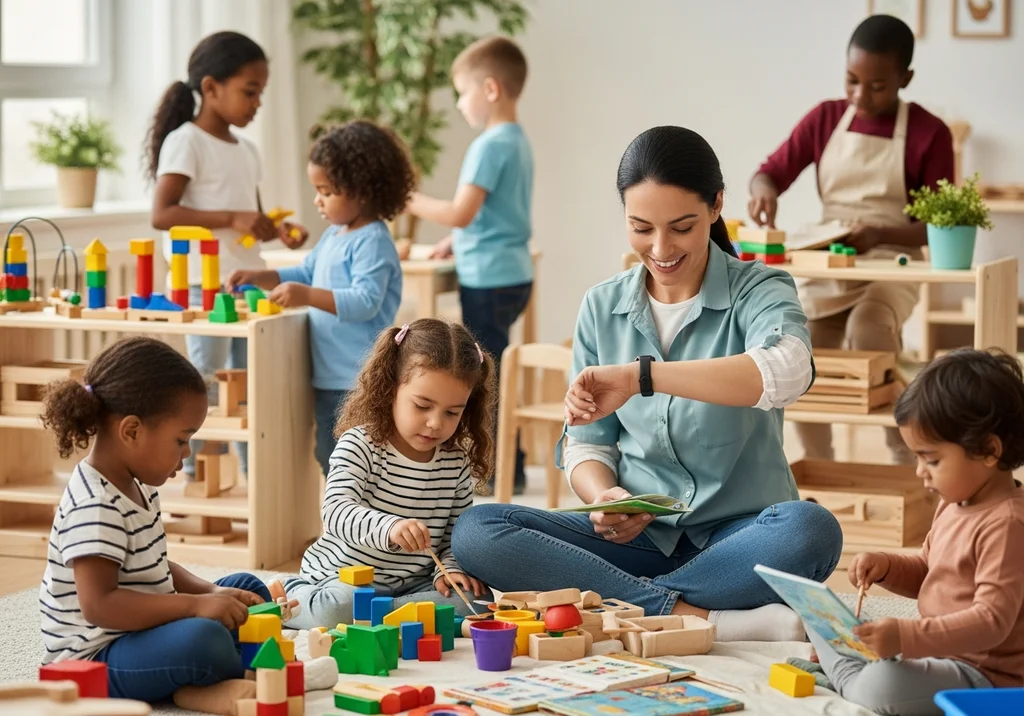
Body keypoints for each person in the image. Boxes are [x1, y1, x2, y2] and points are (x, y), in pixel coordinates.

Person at [452, 126, 842, 643]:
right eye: (641, 228)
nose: (660, 248)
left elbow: (788, 371)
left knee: (811, 530)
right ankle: (697, 614)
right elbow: (587, 444)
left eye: (681, 227)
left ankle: (626, 602)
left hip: (740, 539)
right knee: (477, 530)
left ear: (716, 205)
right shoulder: (602, 305)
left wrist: (642, 377)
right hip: (637, 542)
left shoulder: (761, 289)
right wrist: (606, 498)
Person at [748, 15, 954, 464]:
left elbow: (941, 225)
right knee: (800, 347)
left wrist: (878, 234)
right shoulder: (825, 118)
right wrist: (764, 190)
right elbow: (770, 172)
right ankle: (819, 468)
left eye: (877, 86)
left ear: (905, 79)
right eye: (852, 81)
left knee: (869, 326)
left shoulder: (929, 132)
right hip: (834, 260)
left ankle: (907, 461)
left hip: (894, 260)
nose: (860, 96)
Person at [38, 337, 270, 703]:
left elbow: (155, 567)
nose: (187, 453)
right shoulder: (95, 504)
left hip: (142, 632)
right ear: (131, 431)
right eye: (181, 440)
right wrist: (194, 606)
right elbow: (100, 605)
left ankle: (220, 673)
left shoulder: (136, 485)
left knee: (247, 589)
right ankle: (205, 686)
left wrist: (209, 593)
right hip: (97, 658)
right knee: (203, 640)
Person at [811, 349, 1024, 714]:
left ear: (989, 450)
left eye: (932, 459)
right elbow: (929, 571)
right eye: (917, 458)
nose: (920, 471)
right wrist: (886, 566)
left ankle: (851, 678)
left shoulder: (1007, 524)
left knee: (883, 684)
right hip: (937, 653)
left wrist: (906, 637)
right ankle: (857, 669)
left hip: (982, 675)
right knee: (822, 618)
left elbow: (992, 622)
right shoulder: (954, 502)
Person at [146, 31, 308, 481]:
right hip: (202, 282)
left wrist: (277, 230)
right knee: (207, 379)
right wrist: (233, 217)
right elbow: (162, 213)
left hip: (244, 281)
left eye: (261, 93)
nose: (257, 103)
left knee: (247, 379)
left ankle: (251, 475)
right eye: (249, 91)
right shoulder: (187, 141)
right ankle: (195, 471)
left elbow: (249, 218)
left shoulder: (247, 150)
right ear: (211, 87)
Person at [278, 319, 494, 629]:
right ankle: (291, 593)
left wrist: (448, 571)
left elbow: (452, 538)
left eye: (451, 412)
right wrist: (389, 527)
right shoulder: (360, 444)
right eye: (422, 406)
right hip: (344, 579)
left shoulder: (455, 462)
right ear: (391, 388)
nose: (436, 423)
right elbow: (336, 511)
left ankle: (376, 615)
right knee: (338, 609)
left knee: (477, 601)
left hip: (411, 584)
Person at [227, 121, 414, 478]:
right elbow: (306, 273)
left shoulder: (373, 241)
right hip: (329, 376)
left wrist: (306, 296)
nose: (318, 200)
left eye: (326, 192)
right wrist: (261, 276)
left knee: (355, 460)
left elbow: (365, 301)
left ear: (361, 191)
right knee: (328, 454)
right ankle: (342, 512)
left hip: (359, 377)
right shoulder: (334, 235)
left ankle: (357, 513)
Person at [405, 36, 533, 494]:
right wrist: (454, 241)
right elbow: (492, 215)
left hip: (489, 278)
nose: (459, 104)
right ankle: (511, 466)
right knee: (492, 372)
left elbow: (462, 211)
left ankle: (493, 471)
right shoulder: (517, 140)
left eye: (463, 92)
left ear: (491, 89)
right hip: (513, 272)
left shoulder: (488, 146)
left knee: (481, 379)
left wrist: (408, 198)